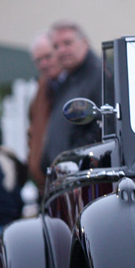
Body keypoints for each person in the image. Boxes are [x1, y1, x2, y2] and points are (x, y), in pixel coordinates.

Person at [40, 20, 101, 172]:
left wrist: (72, 160)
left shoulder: (100, 75)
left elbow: (102, 129)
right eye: (56, 46)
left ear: (84, 43)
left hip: (82, 176)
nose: (61, 50)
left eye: (67, 43)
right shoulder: (68, 78)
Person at [26, 31, 60, 188]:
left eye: (48, 57)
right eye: (38, 60)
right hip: (45, 181)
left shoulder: (69, 86)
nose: (44, 64)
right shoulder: (42, 88)